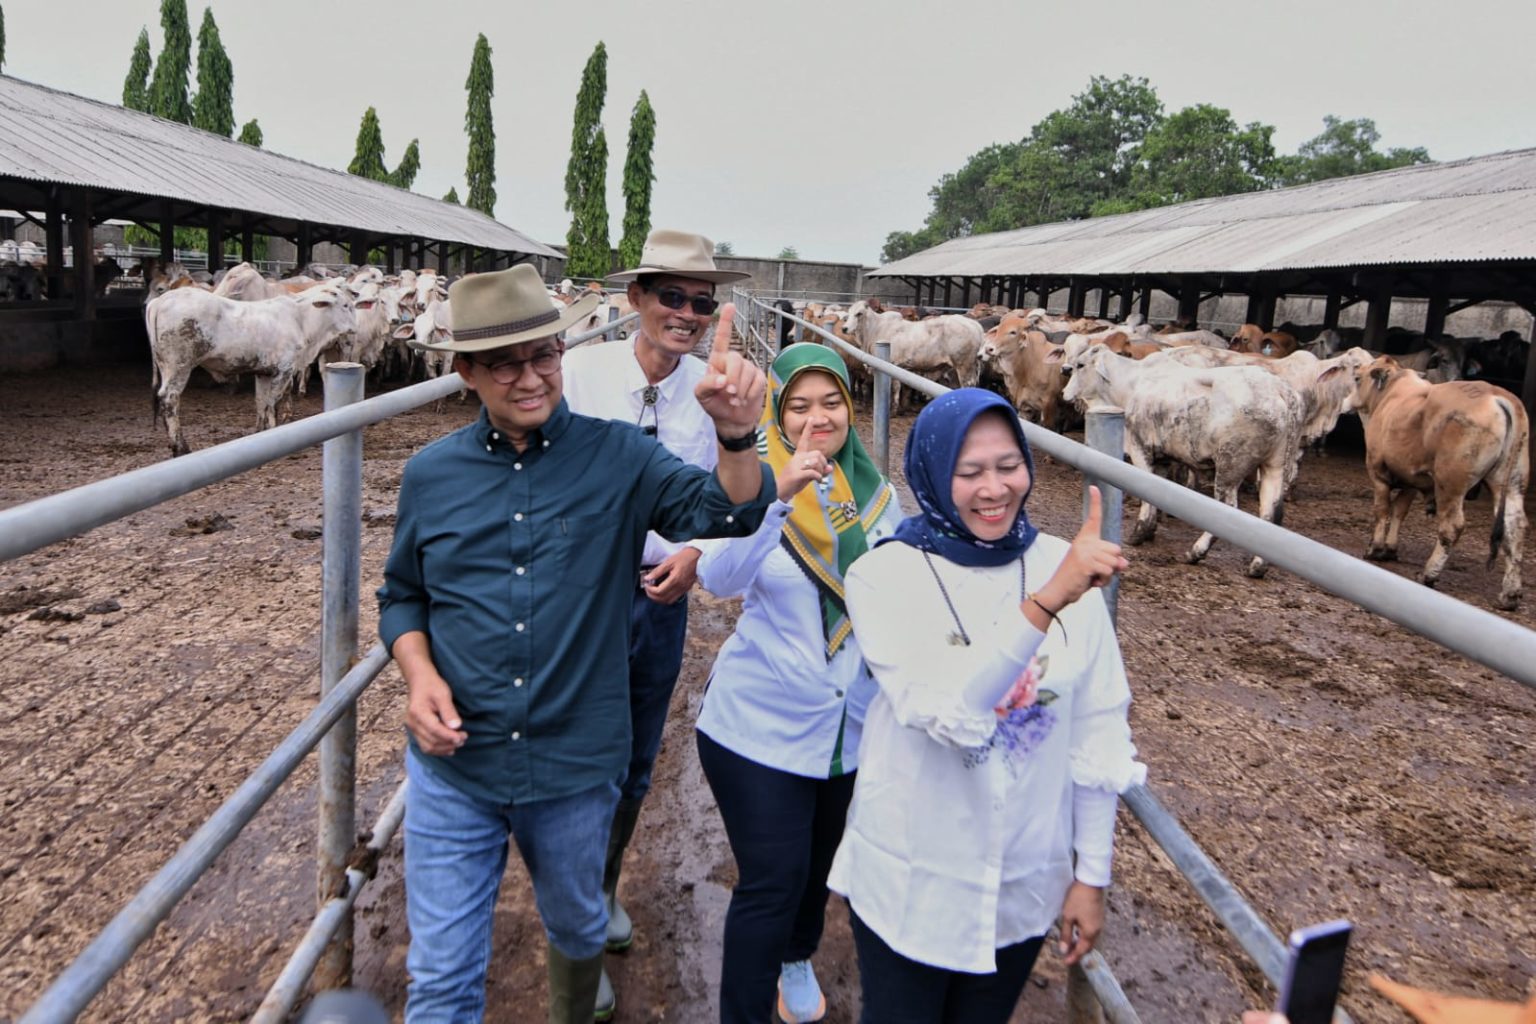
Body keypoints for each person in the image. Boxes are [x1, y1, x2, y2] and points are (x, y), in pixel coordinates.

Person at [376, 264, 775, 1024]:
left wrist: (734, 434)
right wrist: (417, 672)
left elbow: (724, 514)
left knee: (578, 923)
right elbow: (404, 595)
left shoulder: (618, 458)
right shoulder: (432, 475)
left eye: (544, 355)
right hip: (454, 768)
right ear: (465, 371)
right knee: (440, 979)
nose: (530, 378)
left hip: (573, 764)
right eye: (503, 362)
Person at [826, 387, 1146, 1024]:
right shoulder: (884, 576)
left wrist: (1092, 876)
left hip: (1023, 886)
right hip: (913, 882)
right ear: (932, 476)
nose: (994, 489)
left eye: (1008, 466)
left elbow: (1098, 728)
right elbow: (949, 712)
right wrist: (1048, 601)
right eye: (968, 473)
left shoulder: (1061, 561)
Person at [560, 229, 751, 1018]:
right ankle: (572, 934)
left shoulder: (719, 389)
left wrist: (698, 555)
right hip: (581, 590)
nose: (686, 313)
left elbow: (738, 495)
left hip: (659, 590)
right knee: (576, 759)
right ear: (634, 299)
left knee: (638, 752)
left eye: (700, 302)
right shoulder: (579, 371)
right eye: (669, 296)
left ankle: (602, 891)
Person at [693, 345, 904, 1024]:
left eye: (833, 402)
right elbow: (721, 580)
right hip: (760, 727)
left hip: (851, 729)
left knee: (818, 870)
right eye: (800, 406)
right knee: (771, 882)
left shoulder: (879, 497)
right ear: (778, 417)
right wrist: (776, 497)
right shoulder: (752, 482)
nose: (819, 418)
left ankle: (798, 956)